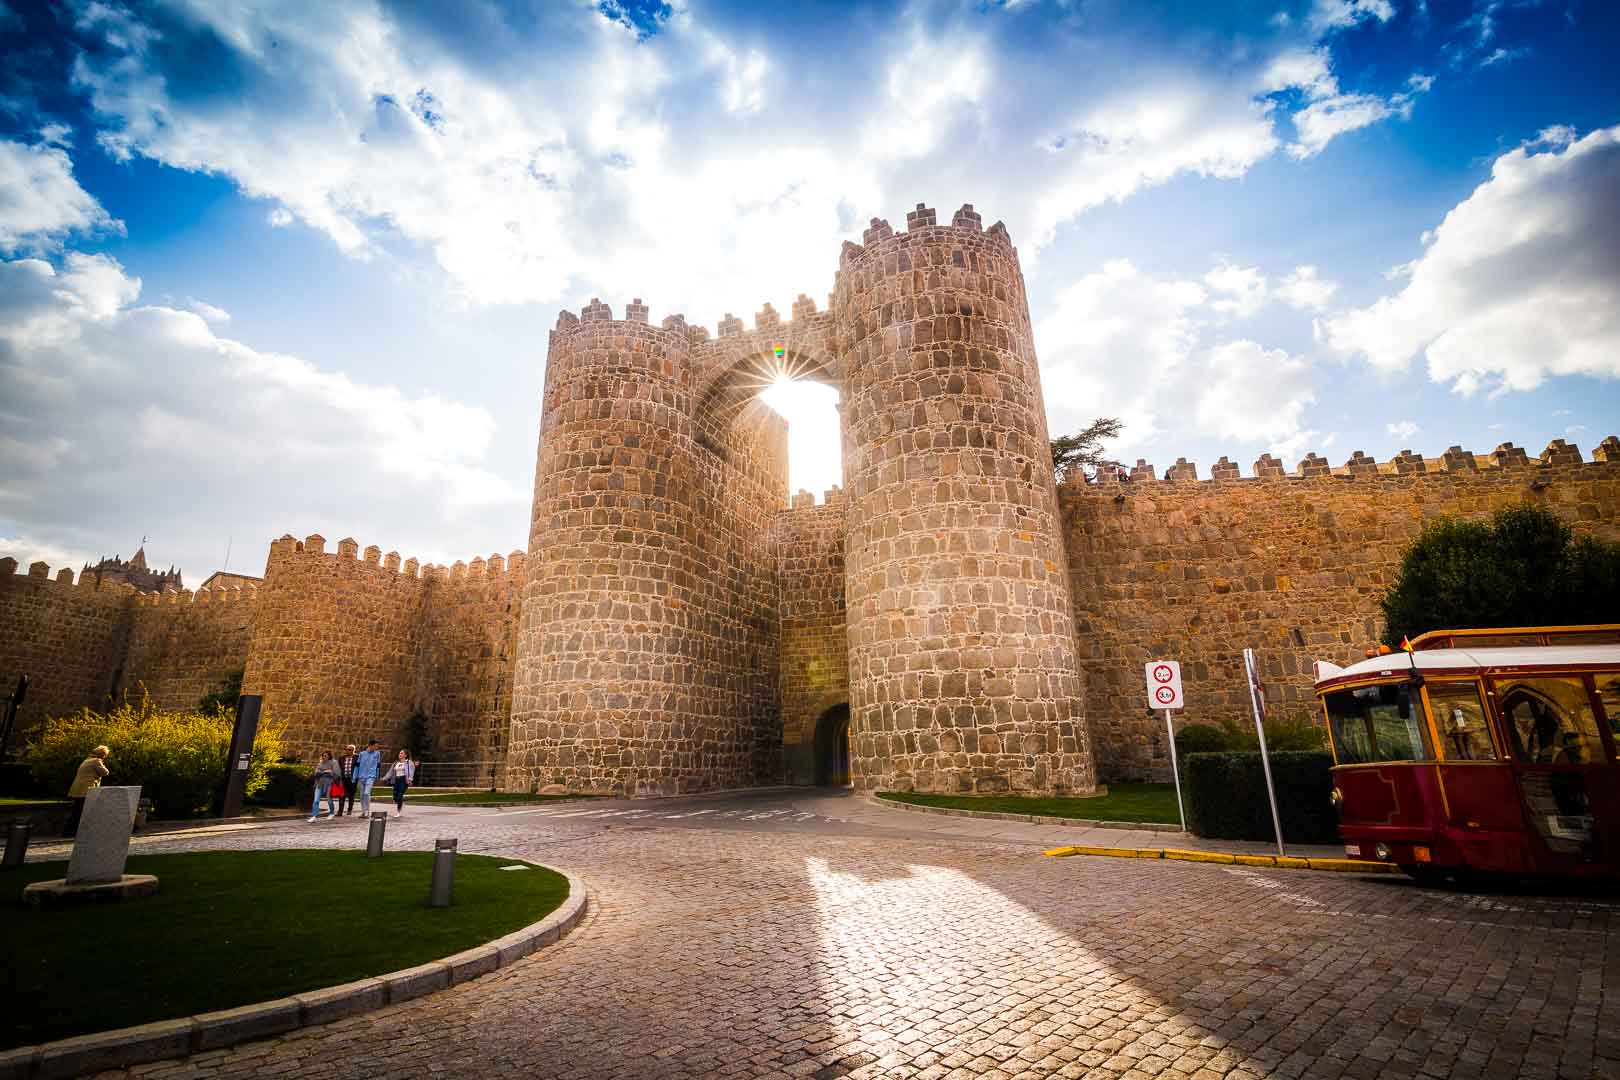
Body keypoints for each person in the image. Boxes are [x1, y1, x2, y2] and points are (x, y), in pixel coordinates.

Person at [64, 745, 111, 837]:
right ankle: (76, 832)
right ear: (102, 754)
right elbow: (105, 772)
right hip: (87, 790)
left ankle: (68, 832)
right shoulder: (96, 761)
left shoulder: (86, 760)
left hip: (78, 790)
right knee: (84, 811)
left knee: (77, 811)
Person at [309, 749, 339, 821]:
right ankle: (314, 816)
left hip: (329, 783)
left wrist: (328, 772)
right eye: (323, 756)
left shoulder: (334, 762)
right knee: (316, 800)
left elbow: (337, 774)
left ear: (329, 756)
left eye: (325, 756)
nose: (324, 757)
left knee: (329, 799)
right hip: (319, 783)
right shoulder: (320, 763)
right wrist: (325, 772)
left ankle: (331, 813)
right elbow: (316, 773)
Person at [383, 749, 415, 816]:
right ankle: (400, 803)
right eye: (399, 753)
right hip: (396, 780)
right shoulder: (396, 763)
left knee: (400, 795)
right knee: (395, 797)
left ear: (406, 755)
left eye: (402, 753)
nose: (400, 754)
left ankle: (398, 811)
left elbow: (411, 772)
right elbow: (390, 771)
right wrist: (385, 778)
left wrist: (410, 780)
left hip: (404, 780)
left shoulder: (409, 762)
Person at [354, 739, 381, 816]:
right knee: (362, 795)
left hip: (371, 776)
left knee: (366, 793)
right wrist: (354, 776)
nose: (377, 748)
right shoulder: (362, 754)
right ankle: (364, 811)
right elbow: (357, 765)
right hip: (361, 776)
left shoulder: (377, 754)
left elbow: (378, 766)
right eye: (376, 746)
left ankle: (367, 811)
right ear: (370, 745)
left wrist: (377, 776)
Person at [336, 743, 359, 816]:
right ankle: (340, 811)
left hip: (353, 779)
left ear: (353, 750)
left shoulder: (357, 757)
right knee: (341, 795)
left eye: (349, 750)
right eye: (346, 749)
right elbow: (338, 768)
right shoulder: (341, 758)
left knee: (351, 795)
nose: (347, 751)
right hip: (343, 779)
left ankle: (349, 810)